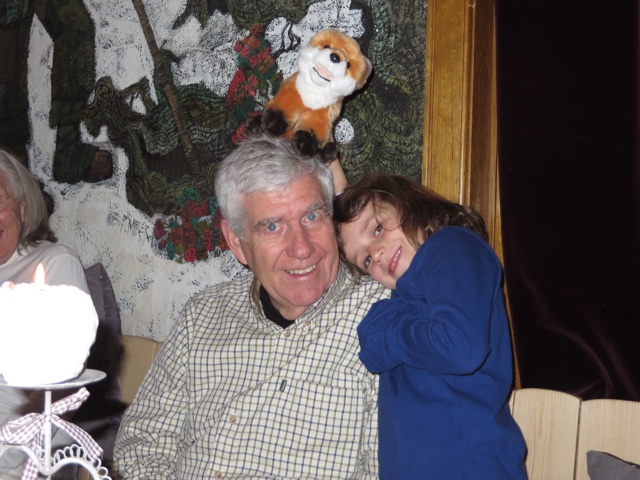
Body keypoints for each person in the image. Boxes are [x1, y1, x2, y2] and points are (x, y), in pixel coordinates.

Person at [113, 135, 389, 479]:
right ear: (236, 242)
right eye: (272, 226)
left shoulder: (386, 319)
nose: (301, 248)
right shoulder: (202, 316)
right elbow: (141, 444)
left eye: (312, 216)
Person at [333, 173, 528, 480]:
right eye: (365, 261)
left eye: (378, 228)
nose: (376, 254)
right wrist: (384, 327)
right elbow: (371, 348)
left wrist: (389, 330)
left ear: (406, 202)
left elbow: (460, 347)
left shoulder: (451, 245)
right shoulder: (407, 295)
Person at [0, 148, 92, 479]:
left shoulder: (55, 264)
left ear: (23, 209)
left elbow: (59, 390)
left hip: (24, 458)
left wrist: (6, 452)